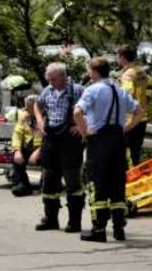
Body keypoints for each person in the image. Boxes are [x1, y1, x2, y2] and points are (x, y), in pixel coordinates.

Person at [75, 56, 143, 242]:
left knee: (97, 184)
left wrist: (85, 131)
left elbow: (77, 112)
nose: (88, 74)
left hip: (99, 141)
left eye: (90, 71)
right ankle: (119, 228)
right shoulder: (120, 91)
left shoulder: (92, 90)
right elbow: (139, 112)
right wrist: (126, 128)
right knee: (117, 184)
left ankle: (99, 229)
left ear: (95, 72)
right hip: (118, 141)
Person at [33, 62, 85, 233]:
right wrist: (40, 121)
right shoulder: (48, 91)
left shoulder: (78, 90)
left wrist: (81, 127)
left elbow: (93, 110)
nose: (51, 83)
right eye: (49, 80)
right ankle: (50, 218)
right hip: (51, 139)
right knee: (49, 178)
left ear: (63, 76)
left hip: (70, 141)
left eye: (53, 79)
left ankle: (74, 221)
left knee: (72, 181)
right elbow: (37, 105)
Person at [117, 44, 152, 167]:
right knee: (136, 152)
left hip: (130, 119)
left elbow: (126, 95)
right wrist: (147, 99)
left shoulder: (127, 74)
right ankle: (137, 178)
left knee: (123, 153)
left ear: (122, 57)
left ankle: (127, 181)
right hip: (142, 118)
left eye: (118, 57)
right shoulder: (141, 72)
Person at [11, 94, 42, 197]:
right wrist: (17, 150)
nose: (26, 110)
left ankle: (46, 184)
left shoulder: (46, 117)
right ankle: (22, 185)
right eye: (26, 107)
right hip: (29, 147)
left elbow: (51, 137)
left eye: (29, 108)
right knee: (16, 157)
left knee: (50, 156)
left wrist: (39, 151)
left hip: (43, 148)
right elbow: (17, 133)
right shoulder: (24, 116)